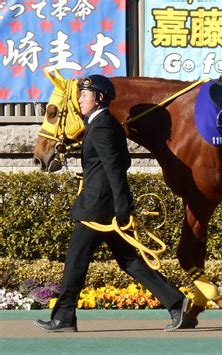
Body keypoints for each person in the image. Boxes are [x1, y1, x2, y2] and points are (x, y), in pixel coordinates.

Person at [34, 74, 193, 332]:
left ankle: (63, 317)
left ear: (99, 98)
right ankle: (177, 303)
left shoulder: (102, 127)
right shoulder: (104, 124)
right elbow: (116, 163)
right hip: (103, 205)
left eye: (84, 96)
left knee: (75, 261)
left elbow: (116, 168)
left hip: (97, 209)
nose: (80, 100)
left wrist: (122, 207)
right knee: (130, 261)